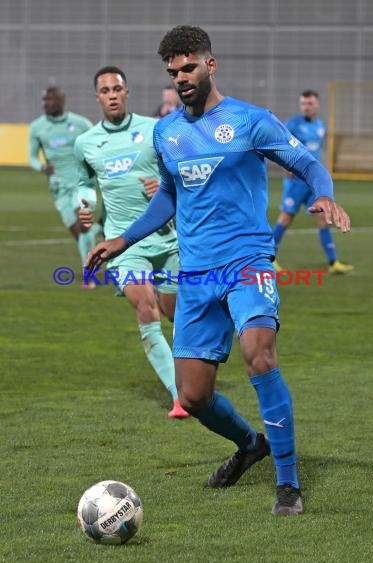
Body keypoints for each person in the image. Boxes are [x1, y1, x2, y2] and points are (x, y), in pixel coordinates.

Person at [84, 27, 351, 515]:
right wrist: (123, 239)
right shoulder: (167, 131)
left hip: (248, 261)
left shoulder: (250, 121)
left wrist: (325, 193)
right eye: (173, 72)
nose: (182, 78)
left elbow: (307, 164)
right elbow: (168, 193)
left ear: (211, 64)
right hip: (197, 273)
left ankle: (288, 484)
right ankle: (251, 445)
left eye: (189, 68)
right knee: (194, 395)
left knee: (259, 355)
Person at [75, 66, 188, 419]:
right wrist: (86, 205)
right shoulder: (86, 143)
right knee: (146, 309)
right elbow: (83, 182)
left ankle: (196, 372)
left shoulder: (154, 130)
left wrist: (165, 185)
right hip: (124, 244)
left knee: (173, 312)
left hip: (167, 238)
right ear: (97, 97)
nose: (111, 94)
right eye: (104, 90)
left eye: (117, 88)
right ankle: (178, 397)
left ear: (127, 93)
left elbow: (181, 171)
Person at [272, 90, 353, 274]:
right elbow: (277, 147)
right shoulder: (292, 125)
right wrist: (287, 166)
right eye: (303, 104)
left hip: (312, 184)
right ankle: (269, 260)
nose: (306, 107)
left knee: (323, 219)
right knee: (285, 219)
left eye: (309, 104)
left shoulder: (321, 126)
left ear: (317, 105)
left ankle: (333, 263)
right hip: (295, 183)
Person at [29, 86, 101, 286]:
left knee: (83, 226)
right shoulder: (37, 128)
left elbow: (98, 146)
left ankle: (89, 276)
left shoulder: (80, 124)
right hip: (59, 189)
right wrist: (42, 167)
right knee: (78, 232)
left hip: (82, 183)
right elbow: (32, 158)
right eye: (44, 100)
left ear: (61, 101)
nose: (46, 104)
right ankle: (98, 229)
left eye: (50, 100)